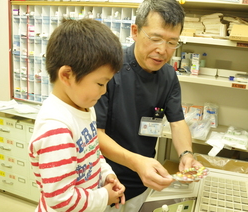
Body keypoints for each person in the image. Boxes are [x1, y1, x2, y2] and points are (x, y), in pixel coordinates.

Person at [94, 0, 203, 211]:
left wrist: (186, 155)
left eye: (172, 42)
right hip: (107, 181)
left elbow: (177, 122)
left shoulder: (168, 76)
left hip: (144, 182)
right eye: (155, 38)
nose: (163, 50)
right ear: (135, 31)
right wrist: (137, 163)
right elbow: (96, 133)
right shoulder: (109, 69)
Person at [28, 18, 126, 212]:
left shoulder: (84, 109)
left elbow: (92, 154)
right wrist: (105, 196)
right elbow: (62, 200)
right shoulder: (56, 129)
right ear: (67, 75)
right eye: (100, 83)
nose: (104, 91)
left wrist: (106, 174)